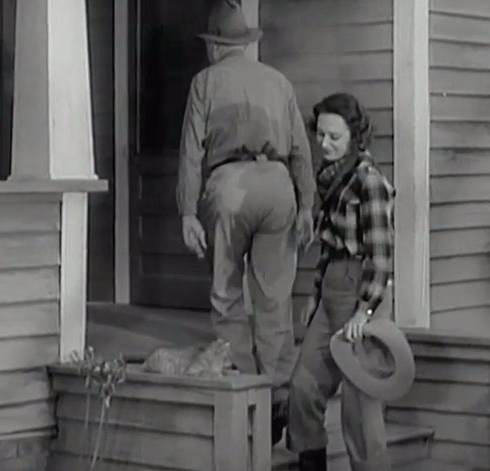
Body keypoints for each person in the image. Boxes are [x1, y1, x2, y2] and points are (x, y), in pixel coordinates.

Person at [176, 0, 316, 445]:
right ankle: (278, 402)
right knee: (275, 302)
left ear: (216, 47)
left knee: (227, 294)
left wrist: (186, 212)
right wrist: (307, 203)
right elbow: (300, 150)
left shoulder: (205, 82)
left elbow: (191, 152)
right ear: (244, 44)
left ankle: (245, 396)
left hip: (230, 185)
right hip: (278, 185)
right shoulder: (279, 81)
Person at [286, 92, 396, 471]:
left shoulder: (370, 182)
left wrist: (364, 310)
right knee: (303, 386)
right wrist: (316, 298)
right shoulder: (331, 178)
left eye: (334, 137)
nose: (324, 144)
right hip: (332, 292)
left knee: (359, 405)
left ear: (354, 135)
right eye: (320, 136)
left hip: (362, 293)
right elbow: (328, 249)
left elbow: (380, 256)